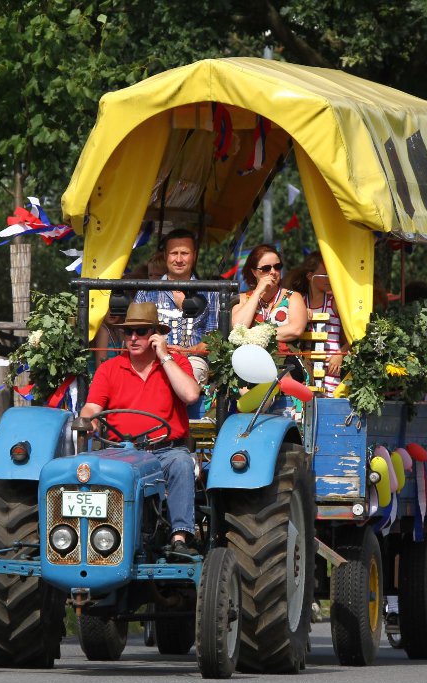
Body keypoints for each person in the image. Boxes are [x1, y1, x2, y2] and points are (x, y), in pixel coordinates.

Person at [79, 302, 202, 557]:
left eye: (142, 331)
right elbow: (91, 406)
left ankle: (179, 537)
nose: (133, 338)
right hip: (120, 452)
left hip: (165, 452)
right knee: (86, 469)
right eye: (128, 332)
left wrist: (164, 356)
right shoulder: (110, 368)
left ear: (156, 334)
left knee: (181, 462)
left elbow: (190, 394)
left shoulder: (175, 363)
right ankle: (92, 539)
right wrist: (89, 420)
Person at [133, 230, 218, 385]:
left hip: (194, 361)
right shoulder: (146, 290)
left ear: (195, 255)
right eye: (174, 253)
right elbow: (134, 333)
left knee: (188, 378)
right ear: (165, 255)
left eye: (184, 253)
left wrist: (186, 352)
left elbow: (214, 338)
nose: (179, 259)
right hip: (152, 359)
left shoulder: (210, 292)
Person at [231, 244, 308, 344]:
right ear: (254, 272)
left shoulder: (293, 297)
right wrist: (257, 292)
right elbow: (238, 328)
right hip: (250, 357)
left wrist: (258, 334)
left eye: (277, 267)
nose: (273, 272)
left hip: (283, 357)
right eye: (266, 268)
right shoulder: (243, 299)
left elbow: (296, 329)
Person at [295, 253, 347, 395]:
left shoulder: (334, 301)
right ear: (310, 276)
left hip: (331, 368)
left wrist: (340, 354)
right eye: (324, 275)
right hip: (306, 369)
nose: (329, 279)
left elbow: (352, 336)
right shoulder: (299, 301)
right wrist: (301, 312)